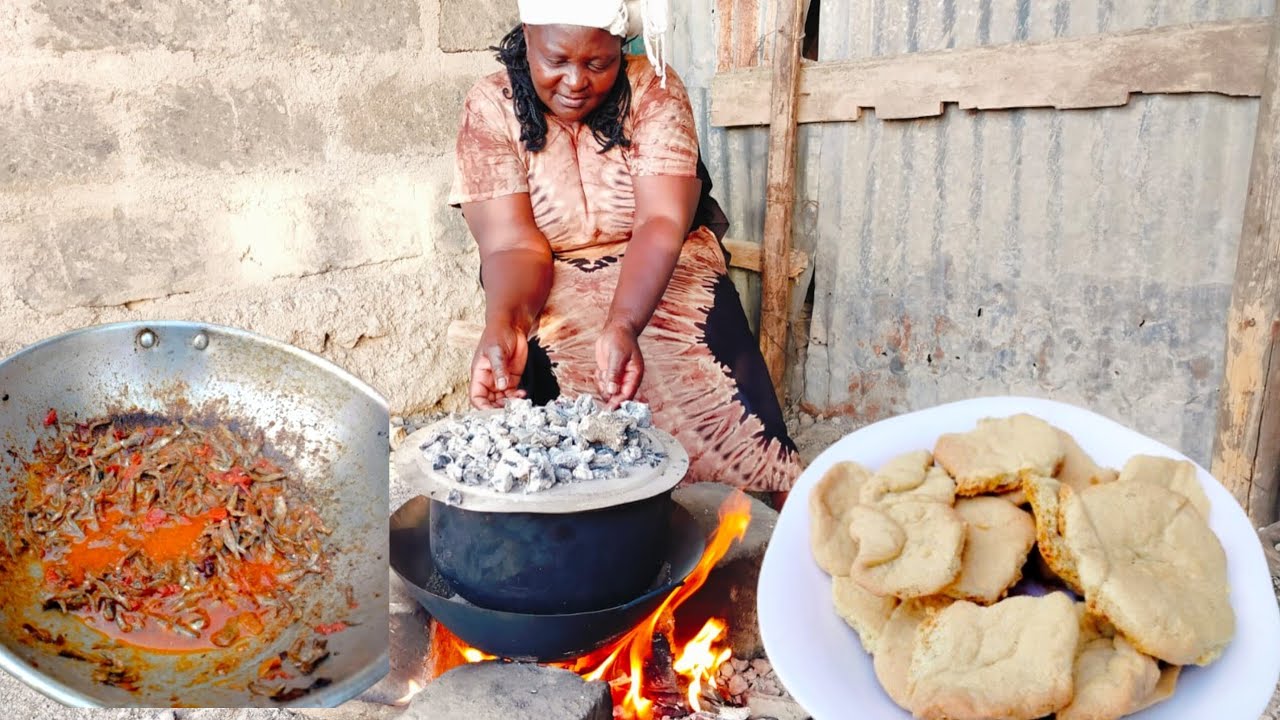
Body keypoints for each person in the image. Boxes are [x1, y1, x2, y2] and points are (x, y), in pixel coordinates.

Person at [448, 0, 801, 502]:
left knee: (700, 365)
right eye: (557, 62)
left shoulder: (653, 87)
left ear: (621, 48)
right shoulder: (491, 105)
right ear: (527, 37)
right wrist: (504, 323)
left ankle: (751, 503)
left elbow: (659, 222)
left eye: (598, 63)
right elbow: (512, 243)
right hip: (542, 266)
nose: (576, 82)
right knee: (560, 385)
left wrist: (624, 322)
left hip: (661, 253)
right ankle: (598, 513)